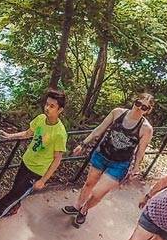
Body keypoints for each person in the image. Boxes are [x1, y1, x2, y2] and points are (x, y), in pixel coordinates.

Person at [0, 89, 67, 231]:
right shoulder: (40, 119)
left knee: (13, 195)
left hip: (37, 171)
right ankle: (15, 206)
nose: (47, 108)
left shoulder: (60, 133)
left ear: (60, 110)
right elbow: (27, 133)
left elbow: (57, 160)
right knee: (16, 190)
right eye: (47, 104)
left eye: (52, 106)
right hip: (26, 162)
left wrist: (43, 180)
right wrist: (9, 136)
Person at [62, 93, 155, 227]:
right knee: (89, 184)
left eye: (144, 107)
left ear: (148, 110)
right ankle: (77, 206)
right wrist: (83, 143)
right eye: (138, 103)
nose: (139, 108)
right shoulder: (118, 113)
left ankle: (85, 209)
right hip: (102, 154)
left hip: (119, 164)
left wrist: (136, 167)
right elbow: (99, 129)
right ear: (134, 101)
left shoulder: (146, 128)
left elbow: (141, 150)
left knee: (98, 192)